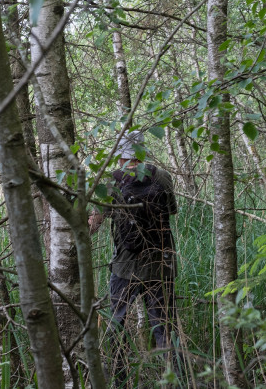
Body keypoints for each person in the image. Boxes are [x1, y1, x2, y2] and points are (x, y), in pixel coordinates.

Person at [88, 131, 179, 387]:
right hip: (161, 263)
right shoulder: (162, 176)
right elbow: (171, 211)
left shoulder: (111, 183)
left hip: (125, 266)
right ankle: (173, 380)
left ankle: (120, 380)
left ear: (120, 156)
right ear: (142, 151)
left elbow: (94, 224)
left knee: (117, 324)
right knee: (163, 326)